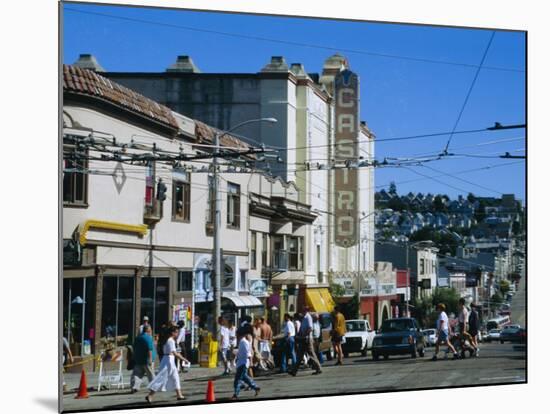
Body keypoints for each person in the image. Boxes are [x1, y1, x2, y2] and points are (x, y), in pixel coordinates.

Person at [146, 325, 189, 403]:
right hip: (168, 361)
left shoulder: (168, 340)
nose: (177, 334)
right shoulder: (170, 340)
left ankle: (179, 395)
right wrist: (184, 359)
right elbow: (175, 353)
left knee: (176, 377)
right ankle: (150, 395)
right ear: (172, 333)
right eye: (176, 332)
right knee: (161, 378)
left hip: (169, 360)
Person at [231, 324, 261, 400]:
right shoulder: (241, 342)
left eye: (237, 335)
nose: (236, 336)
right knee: (245, 378)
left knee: (237, 380)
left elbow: (248, 353)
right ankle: (256, 387)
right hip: (241, 363)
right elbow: (241, 352)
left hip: (243, 363)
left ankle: (236, 394)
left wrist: (250, 362)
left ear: (240, 334)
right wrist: (235, 352)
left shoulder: (244, 342)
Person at [290, 306, 322, 376]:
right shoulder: (304, 318)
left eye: (303, 310)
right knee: (300, 355)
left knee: (311, 354)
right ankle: (294, 371)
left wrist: (304, 334)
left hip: (307, 338)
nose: (302, 311)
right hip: (303, 338)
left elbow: (310, 328)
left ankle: (318, 368)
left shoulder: (308, 317)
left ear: (306, 310)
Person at [130, 325, 156, 393]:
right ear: (148, 330)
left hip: (138, 360)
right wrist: (150, 359)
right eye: (151, 330)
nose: (151, 331)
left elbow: (134, 348)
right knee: (150, 374)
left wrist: (134, 357)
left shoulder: (138, 338)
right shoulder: (148, 338)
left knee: (137, 374)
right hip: (147, 359)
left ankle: (134, 387)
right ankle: (153, 387)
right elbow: (149, 349)